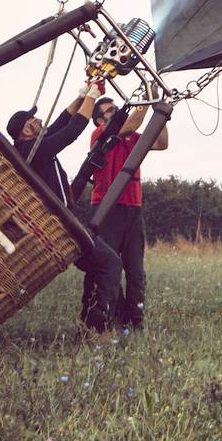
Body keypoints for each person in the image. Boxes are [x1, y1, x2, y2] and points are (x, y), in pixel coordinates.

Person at [8, 79, 121, 331]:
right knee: (110, 262)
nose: (39, 122)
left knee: (97, 265)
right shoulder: (31, 151)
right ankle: (98, 327)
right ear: (26, 131)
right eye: (33, 122)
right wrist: (92, 97)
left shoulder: (30, 145)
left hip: (61, 222)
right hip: (60, 224)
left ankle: (90, 319)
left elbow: (61, 121)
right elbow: (70, 132)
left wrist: (82, 95)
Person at [80, 96, 167, 331]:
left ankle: (134, 318)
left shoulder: (132, 137)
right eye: (109, 111)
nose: (115, 112)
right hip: (107, 208)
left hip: (133, 208)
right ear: (99, 119)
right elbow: (130, 123)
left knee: (135, 268)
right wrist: (147, 101)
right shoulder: (100, 135)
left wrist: (161, 112)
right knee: (108, 265)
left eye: (115, 108)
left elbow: (161, 143)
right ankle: (105, 316)